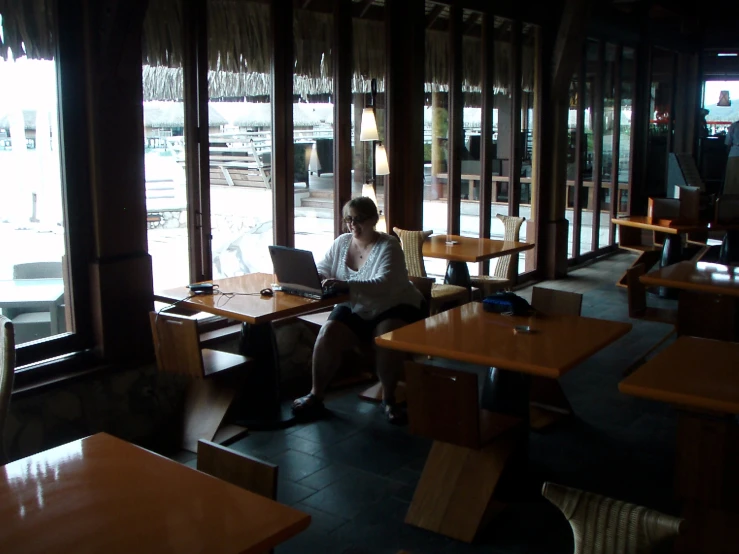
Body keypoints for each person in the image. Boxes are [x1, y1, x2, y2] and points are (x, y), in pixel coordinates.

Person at [292, 196, 427, 423]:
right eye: (349, 220)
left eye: (359, 219)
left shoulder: (389, 245)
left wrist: (346, 284)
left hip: (394, 303)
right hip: (356, 304)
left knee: (385, 337)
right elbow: (323, 267)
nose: (353, 225)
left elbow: (383, 284)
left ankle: (389, 398)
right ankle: (316, 394)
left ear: (374, 219)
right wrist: (316, 277)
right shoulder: (342, 243)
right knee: (328, 334)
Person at [724, 119, 739, 195]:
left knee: (731, 179)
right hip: (734, 153)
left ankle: (729, 199)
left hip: (734, 153)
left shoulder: (734, 126)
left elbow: (728, 142)